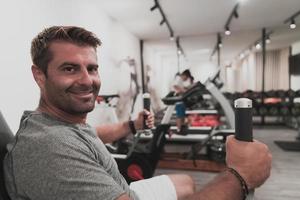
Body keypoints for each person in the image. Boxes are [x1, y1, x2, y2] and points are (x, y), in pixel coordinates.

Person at [3, 26, 272, 200]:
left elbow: (89, 135)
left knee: (187, 183)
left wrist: (131, 126)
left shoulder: (57, 124)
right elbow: (65, 146)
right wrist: (239, 175)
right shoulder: (49, 148)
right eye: (69, 69)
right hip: (122, 193)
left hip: (124, 189)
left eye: (92, 68)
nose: (88, 81)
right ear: (39, 75)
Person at [172, 69, 194, 134]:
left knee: (182, 116)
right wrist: (183, 91)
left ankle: (181, 128)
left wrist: (185, 88)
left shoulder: (180, 80)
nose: (186, 79)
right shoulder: (178, 78)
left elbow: (179, 86)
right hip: (178, 101)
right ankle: (178, 129)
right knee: (179, 116)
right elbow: (175, 86)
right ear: (184, 75)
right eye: (186, 78)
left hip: (181, 100)